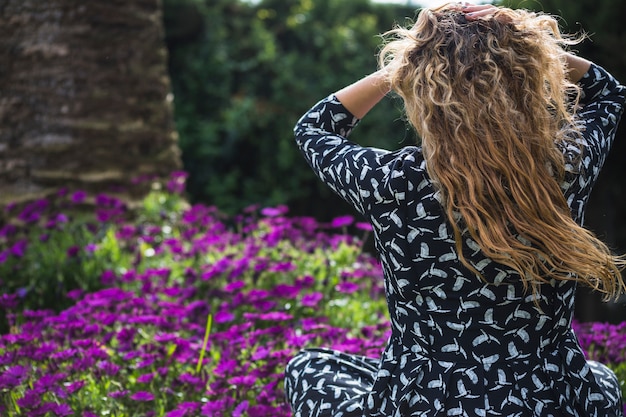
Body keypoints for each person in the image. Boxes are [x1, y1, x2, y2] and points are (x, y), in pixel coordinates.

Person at [284, 2, 626, 416]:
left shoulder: (394, 181)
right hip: (547, 398)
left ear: (424, 91)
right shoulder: (563, 167)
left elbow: (314, 127)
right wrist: (521, 38)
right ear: (525, 78)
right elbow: (607, 92)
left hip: (425, 401)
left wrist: (406, 61)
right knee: (601, 379)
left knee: (308, 367)